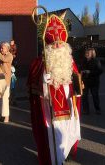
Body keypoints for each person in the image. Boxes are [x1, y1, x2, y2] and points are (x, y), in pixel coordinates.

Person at [27, 14, 82, 165]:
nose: (57, 46)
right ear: (47, 45)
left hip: (69, 108)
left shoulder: (70, 60)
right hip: (49, 110)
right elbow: (32, 89)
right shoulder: (38, 63)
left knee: (66, 134)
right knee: (54, 137)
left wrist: (78, 87)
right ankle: (55, 160)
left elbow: (77, 82)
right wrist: (43, 82)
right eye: (54, 44)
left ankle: (63, 155)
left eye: (60, 43)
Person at [81, 48, 102, 115]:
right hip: (85, 81)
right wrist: (81, 71)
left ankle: (97, 109)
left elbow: (100, 71)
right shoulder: (83, 61)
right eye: (86, 53)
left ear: (92, 54)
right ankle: (86, 110)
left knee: (95, 96)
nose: (86, 54)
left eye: (88, 53)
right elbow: (80, 68)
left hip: (94, 82)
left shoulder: (96, 61)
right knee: (84, 96)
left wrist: (90, 72)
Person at [0, 41, 13, 123]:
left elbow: (3, 59)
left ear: (7, 48)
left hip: (6, 81)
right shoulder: (1, 55)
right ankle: (2, 115)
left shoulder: (9, 56)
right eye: (0, 47)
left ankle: (6, 117)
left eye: (2, 48)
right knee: (0, 98)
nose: (0, 49)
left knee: (5, 99)